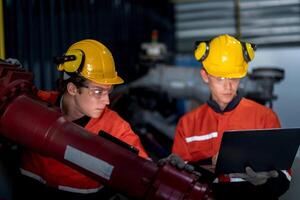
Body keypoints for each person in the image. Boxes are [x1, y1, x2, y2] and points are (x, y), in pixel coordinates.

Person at [13, 39, 149, 200]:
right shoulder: (34, 105)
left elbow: (147, 175)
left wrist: (168, 171)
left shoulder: (116, 128)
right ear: (72, 88)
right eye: (98, 91)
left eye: (108, 91)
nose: (107, 101)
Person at [172, 34, 291, 200]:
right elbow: (178, 182)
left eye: (234, 78)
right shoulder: (188, 124)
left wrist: (269, 180)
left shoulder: (264, 117)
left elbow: (285, 178)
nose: (228, 86)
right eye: (220, 78)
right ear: (205, 76)